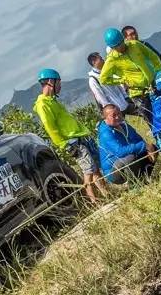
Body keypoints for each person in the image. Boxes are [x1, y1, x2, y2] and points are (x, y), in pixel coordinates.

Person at [32, 68, 106, 203]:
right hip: (73, 142)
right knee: (88, 171)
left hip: (81, 137)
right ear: (51, 82)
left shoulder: (53, 101)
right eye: (59, 83)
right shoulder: (43, 104)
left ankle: (106, 195)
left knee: (95, 169)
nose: (60, 86)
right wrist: (64, 145)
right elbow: (50, 128)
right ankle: (94, 201)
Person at [98, 27, 161, 125]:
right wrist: (122, 80)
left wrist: (159, 73)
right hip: (138, 94)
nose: (120, 47)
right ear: (112, 47)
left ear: (123, 39)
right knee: (151, 119)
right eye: (116, 46)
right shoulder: (112, 60)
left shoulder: (135, 45)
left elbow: (153, 57)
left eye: (121, 43)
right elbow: (103, 79)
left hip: (154, 84)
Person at [97, 103, 154, 183]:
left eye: (119, 113)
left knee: (153, 147)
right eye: (113, 115)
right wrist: (144, 145)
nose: (117, 117)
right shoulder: (105, 133)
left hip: (126, 158)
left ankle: (146, 177)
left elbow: (138, 139)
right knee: (131, 157)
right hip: (112, 170)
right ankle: (134, 184)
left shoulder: (124, 125)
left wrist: (147, 147)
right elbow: (120, 152)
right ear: (105, 118)